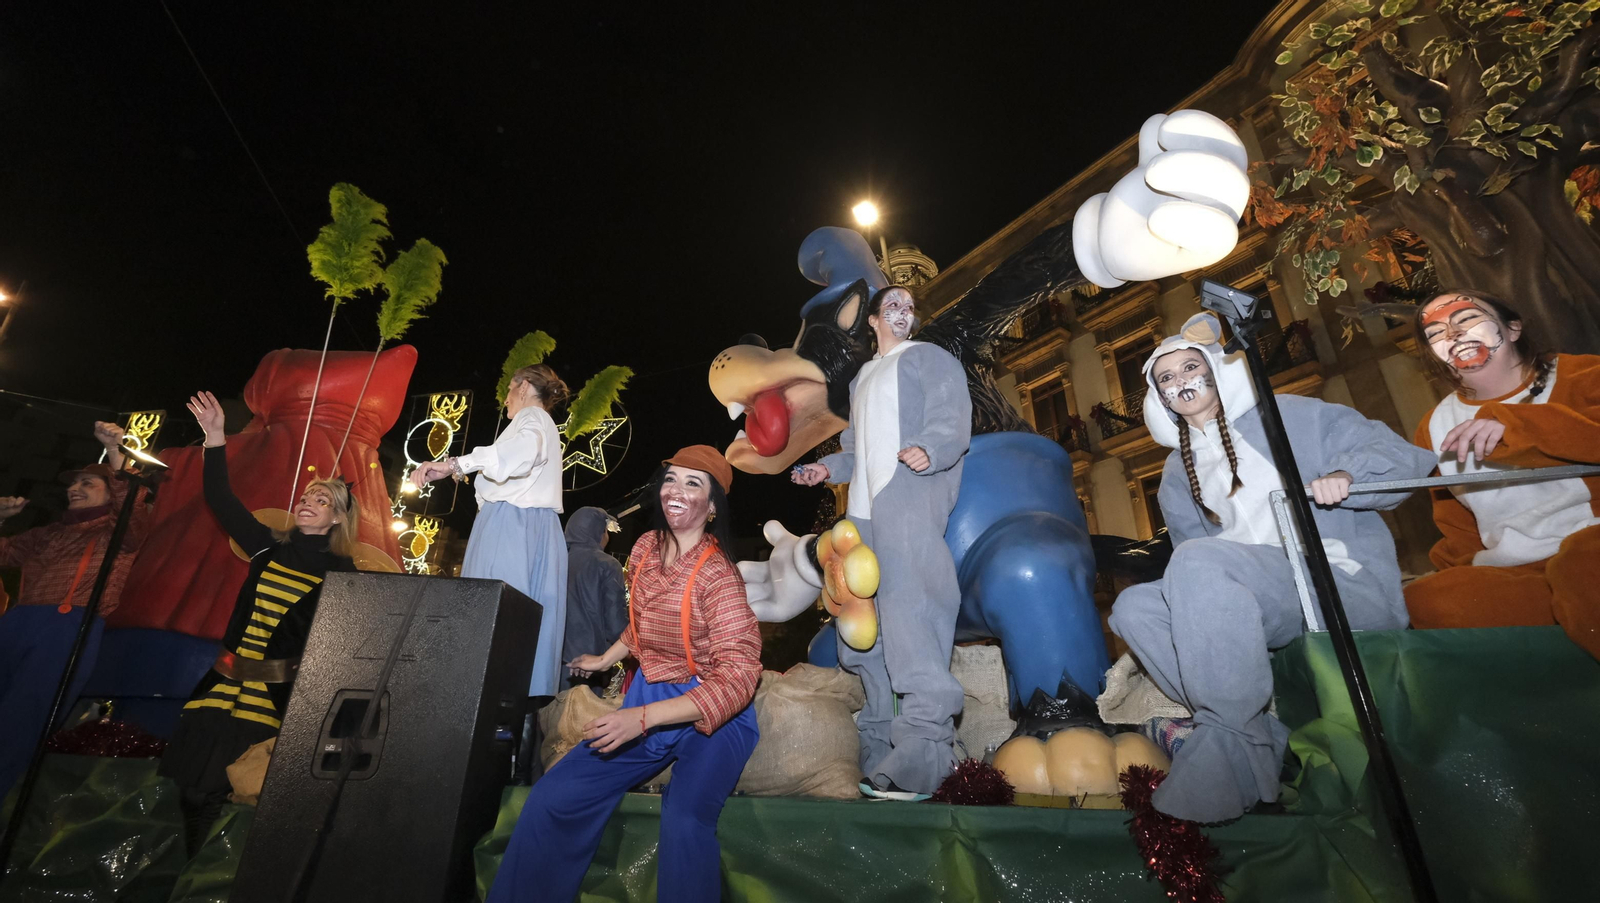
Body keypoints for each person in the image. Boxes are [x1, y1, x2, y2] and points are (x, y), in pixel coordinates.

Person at [1108, 312, 1434, 823]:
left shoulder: (1290, 416)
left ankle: (1227, 741)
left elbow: (1400, 457)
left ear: (1216, 371)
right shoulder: (1177, 471)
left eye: (1190, 367)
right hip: (1263, 596)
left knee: (1196, 560)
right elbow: (1194, 571)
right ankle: (1253, 735)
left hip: (1336, 583)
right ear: (1159, 397)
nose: (1181, 382)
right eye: (1166, 378)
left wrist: (1349, 475)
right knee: (1134, 607)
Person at [487, 446, 761, 903]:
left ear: (712, 508)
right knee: (554, 796)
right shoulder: (644, 548)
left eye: (694, 483)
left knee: (685, 819)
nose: (676, 489)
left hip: (713, 712)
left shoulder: (720, 577)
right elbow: (642, 625)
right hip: (649, 697)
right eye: (671, 478)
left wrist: (642, 718)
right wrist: (603, 658)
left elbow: (738, 678)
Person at [158, 391, 359, 855]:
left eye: (322, 499)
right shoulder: (269, 546)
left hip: (273, 701)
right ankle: (186, 870)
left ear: (337, 518)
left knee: (238, 798)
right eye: (308, 495)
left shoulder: (347, 579)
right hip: (221, 685)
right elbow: (219, 497)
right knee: (189, 790)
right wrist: (214, 436)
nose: (309, 501)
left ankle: (212, 877)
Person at [792, 284, 971, 798]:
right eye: (892, 305)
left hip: (909, 497)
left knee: (913, 607)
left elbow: (951, 415)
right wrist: (826, 468)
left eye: (909, 307)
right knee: (861, 623)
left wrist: (931, 448)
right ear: (872, 320)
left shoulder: (928, 358)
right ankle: (876, 744)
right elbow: (857, 450)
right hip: (863, 513)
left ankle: (925, 749)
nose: (902, 312)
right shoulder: (864, 377)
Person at [1402, 291, 1600, 658]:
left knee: (1583, 568)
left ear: (1513, 328)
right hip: (1519, 572)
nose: (1453, 335)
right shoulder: (1433, 427)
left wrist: (1516, 426)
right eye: (1436, 333)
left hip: (1590, 546)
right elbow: (1457, 524)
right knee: (1426, 599)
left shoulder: (1583, 373)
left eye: (1465, 320)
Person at [0, 422, 146, 801]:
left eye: (87, 484)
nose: (73, 489)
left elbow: (130, 502)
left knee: (20, 723)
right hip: (17, 623)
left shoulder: (118, 533)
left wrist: (115, 452)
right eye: (73, 484)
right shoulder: (47, 533)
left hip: (67, 625)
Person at [412, 364, 570, 699]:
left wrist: (455, 464)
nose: (505, 401)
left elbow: (521, 454)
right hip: (526, 526)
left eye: (509, 392)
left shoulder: (533, 418)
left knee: (492, 621)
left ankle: (483, 700)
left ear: (523, 386)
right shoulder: (541, 423)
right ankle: (503, 705)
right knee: (515, 627)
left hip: (511, 525)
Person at [561, 506, 627, 693]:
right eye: (606, 531)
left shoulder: (556, 559)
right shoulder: (607, 564)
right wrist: (627, 650)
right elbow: (615, 623)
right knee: (579, 718)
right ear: (598, 531)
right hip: (587, 663)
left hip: (550, 659)